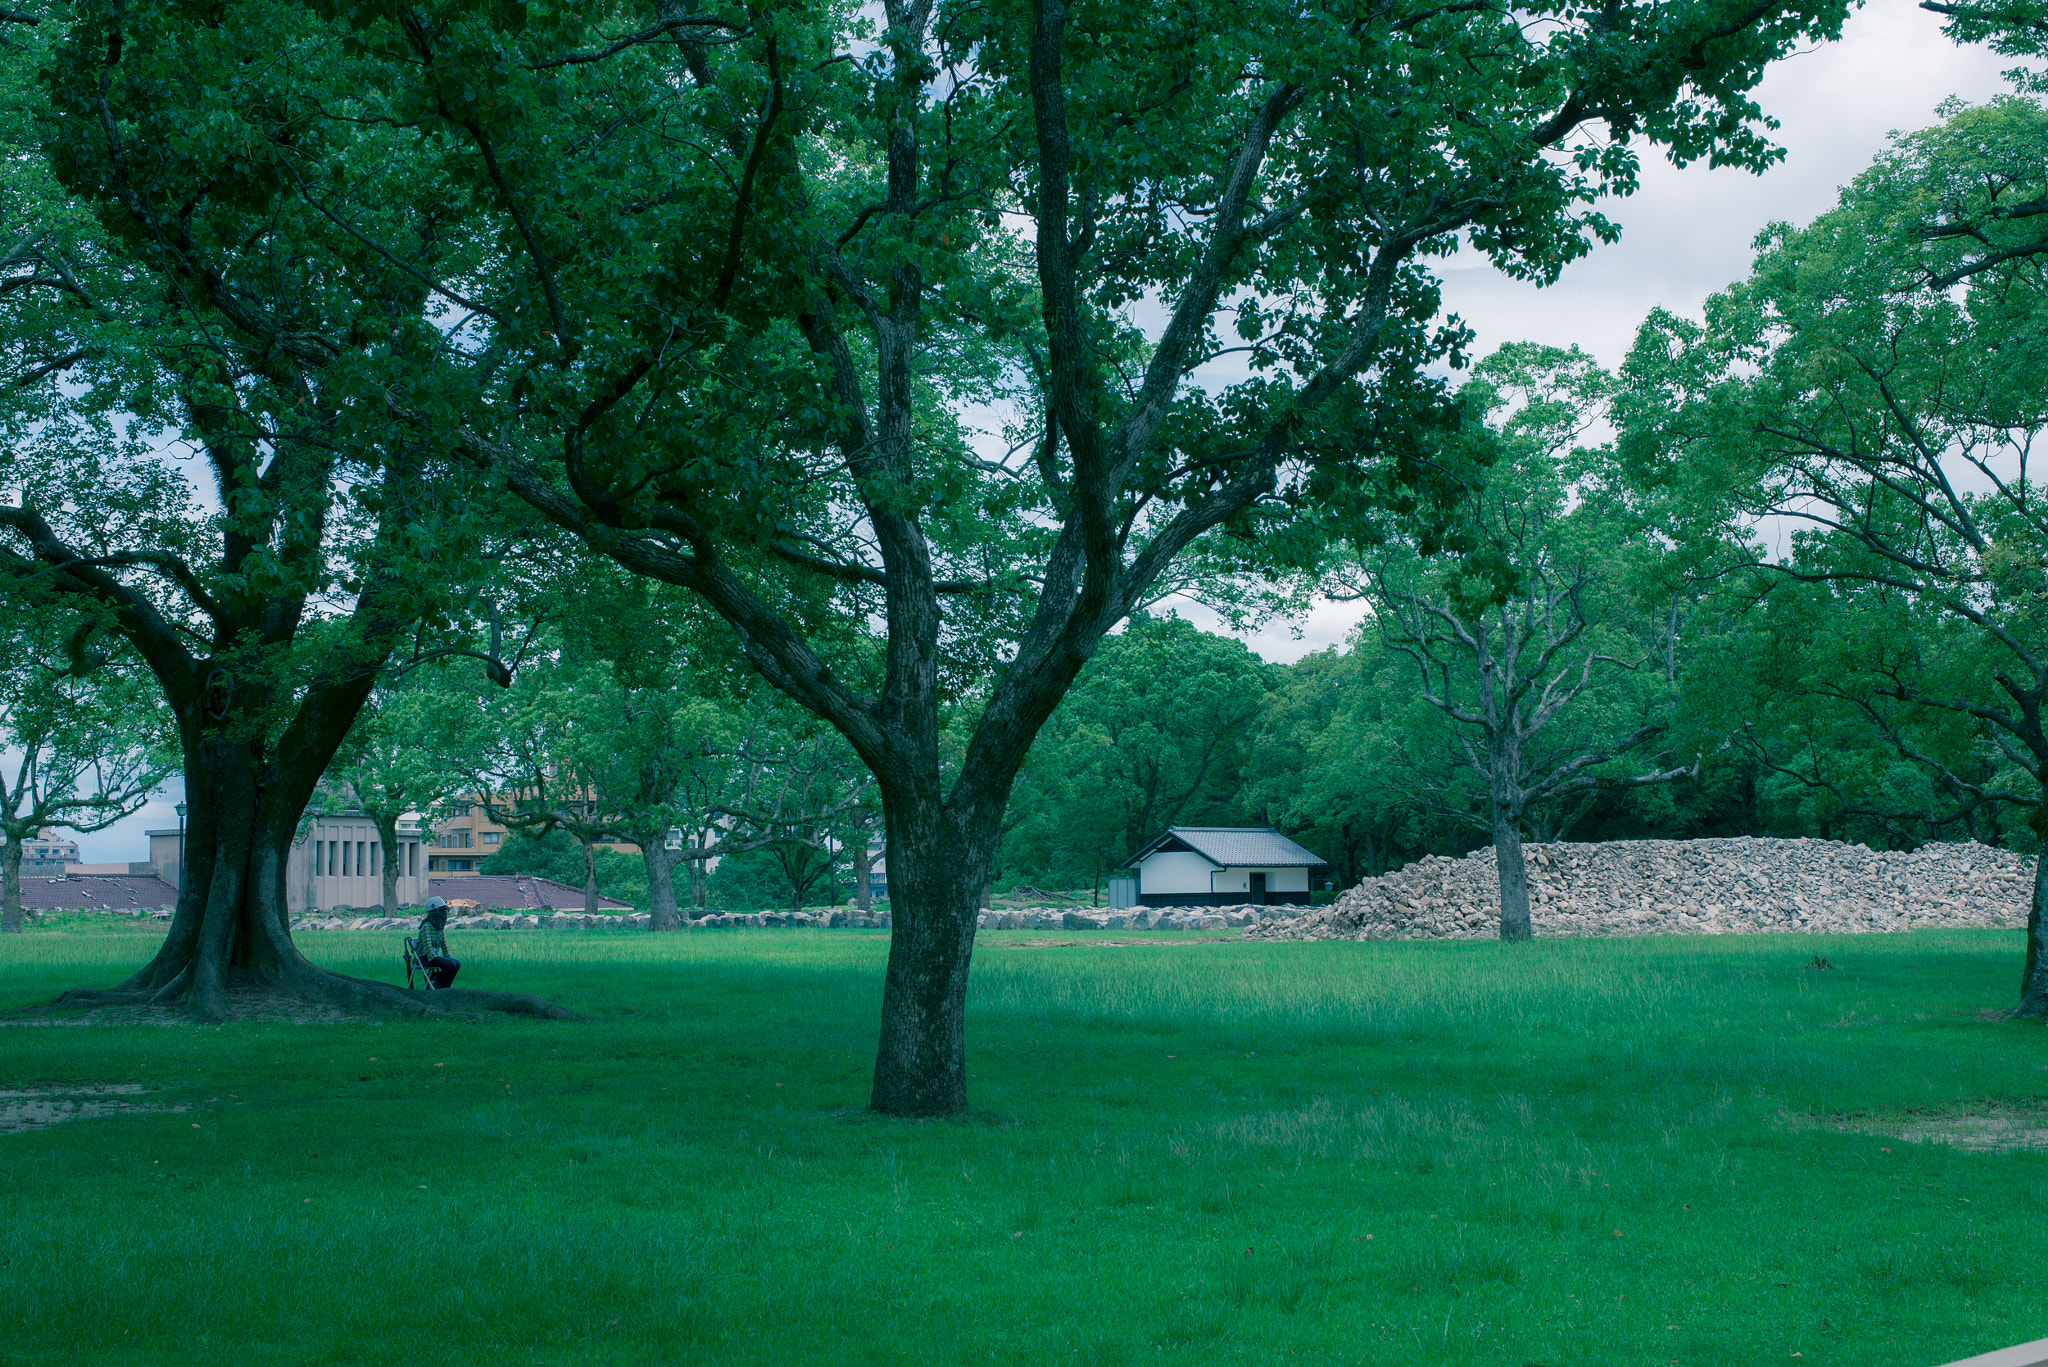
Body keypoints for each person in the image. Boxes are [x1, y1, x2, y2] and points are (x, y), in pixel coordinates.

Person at [416, 896, 460, 989]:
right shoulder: (427, 926)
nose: (444, 914)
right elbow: (427, 946)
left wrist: (448, 957)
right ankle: (437, 985)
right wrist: (435, 959)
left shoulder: (439, 927)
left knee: (456, 963)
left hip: (434, 957)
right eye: (443, 911)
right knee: (451, 964)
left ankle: (445, 986)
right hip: (425, 958)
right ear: (436, 912)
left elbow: (444, 944)